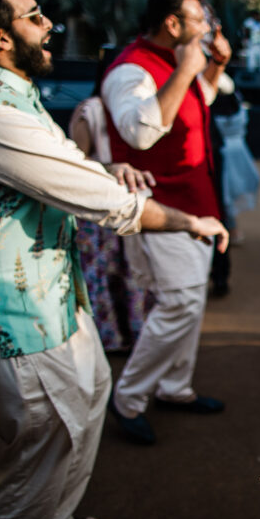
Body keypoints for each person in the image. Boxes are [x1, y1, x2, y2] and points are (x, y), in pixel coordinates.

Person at [0, 0, 228, 519]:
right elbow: (108, 200)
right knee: (43, 441)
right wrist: (190, 220)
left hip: (56, 299)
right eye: (35, 16)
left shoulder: (13, 93)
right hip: (14, 318)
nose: (50, 25)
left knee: (87, 403)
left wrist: (103, 167)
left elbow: (66, 160)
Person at [101, 0, 232, 445]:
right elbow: (138, 133)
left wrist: (212, 67)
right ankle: (128, 397)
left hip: (192, 202)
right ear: (172, 23)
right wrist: (189, 68)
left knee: (189, 302)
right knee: (179, 302)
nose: (206, 27)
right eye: (199, 20)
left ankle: (175, 387)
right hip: (160, 208)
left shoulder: (175, 61)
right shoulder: (130, 71)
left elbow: (198, 102)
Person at [69, 96, 154, 352]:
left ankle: (139, 334)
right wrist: (109, 171)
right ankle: (109, 337)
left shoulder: (145, 106)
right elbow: (75, 165)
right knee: (102, 274)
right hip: (100, 214)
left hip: (137, 207)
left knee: (136, 272)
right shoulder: (89, 111)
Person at [212, 73, 260, 245]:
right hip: (238, 151)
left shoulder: (215, 106)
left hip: (225, 153)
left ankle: (229, 230)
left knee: (224, 195)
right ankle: (230, 229)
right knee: (226, 196)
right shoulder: (237, 103)